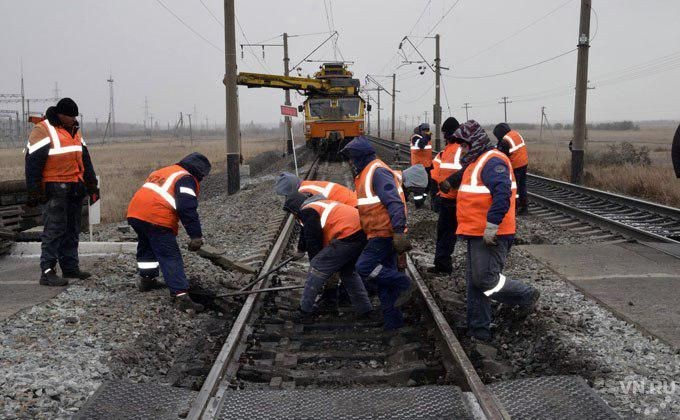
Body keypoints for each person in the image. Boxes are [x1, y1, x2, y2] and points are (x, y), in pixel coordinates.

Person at [445, 121, 539, 342]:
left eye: (464, 145)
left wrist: (493, 224)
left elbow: (502, 192)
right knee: (475, 282)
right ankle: (479, 329)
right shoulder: (477, 161)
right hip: (477, 232)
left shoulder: (492, 161)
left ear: (475, 143)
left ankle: (526, 295)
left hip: (493, 232)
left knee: (485, 279)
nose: (462, 149)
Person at [24, 98, 99, 286]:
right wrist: (34, 191)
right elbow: (32, 162)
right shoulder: (43, 129)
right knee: (54, 230)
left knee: (72, 229)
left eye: (75, 116)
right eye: (70, 116)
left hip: (75, 186)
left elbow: (85, 160)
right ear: (60, 114)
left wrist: (92, 186)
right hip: (55, 187)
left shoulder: (75, 130)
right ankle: (47, 272)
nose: (74, 119)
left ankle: (70, 267)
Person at [342, 136, 413, 330]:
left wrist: (398, 231)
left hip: (384, 233)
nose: (350, 161)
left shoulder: (377, 171)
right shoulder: (368, 172)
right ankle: (393, 322)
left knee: (364, 267)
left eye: (352, 157)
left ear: (360, 156)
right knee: (384, 282)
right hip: (378, 232)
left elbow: (394, 202)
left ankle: (404, 283)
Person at [126, 153, 211, 313]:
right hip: (156, 217)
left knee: (146, 246)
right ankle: (181, 296)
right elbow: (187, 208)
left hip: (135, 213)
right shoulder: (186, 178)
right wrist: (196, 236)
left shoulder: (166, 171)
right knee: (170, 255)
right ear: (199, 172)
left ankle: (147, 279)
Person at [282, 192, 373, 320]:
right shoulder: (318, 205)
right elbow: (306, 230)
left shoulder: (308, 210)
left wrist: (318, 267)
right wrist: (301, 249)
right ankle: (365, 310)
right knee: (348, 272)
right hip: (361, 232)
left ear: (295, 208)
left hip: (348, 234)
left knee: (316, 267)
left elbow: (313, 239)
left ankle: (304, 312)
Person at [429, 117, 462, 274]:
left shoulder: (459, 149)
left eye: (444, 133)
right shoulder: (449, 149)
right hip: (446, 197)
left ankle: (443, 266)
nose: (443, 136)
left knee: (447, 233)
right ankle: (441, 264)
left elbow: (465, 173)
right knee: (444, 233)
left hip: (455, 199)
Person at [493, 123, 529, 215]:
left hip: (515, 165)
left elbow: (501, 155)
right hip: (524, 163)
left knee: (514, 188)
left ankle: (515, 207)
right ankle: (524, 207)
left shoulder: (505, 140)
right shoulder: (515, 134)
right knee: (522, 186)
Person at [275, 172, 357, 206]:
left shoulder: (304, 193)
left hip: (354, 210)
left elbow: (314, 217)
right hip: (355, 203)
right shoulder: (307, 185)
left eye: (285, 196)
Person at [409, 123, 434, 208]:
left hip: (427, 166)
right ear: (420, 130)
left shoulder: (426, 138)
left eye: (427, 130)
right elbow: (420, 145)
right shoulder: (415, 137)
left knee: (428, 185)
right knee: (419, 186)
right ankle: (418, 204)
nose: (426, 132)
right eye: (424, 130)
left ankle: (422, 200)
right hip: (418, 167)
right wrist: (427, 137)